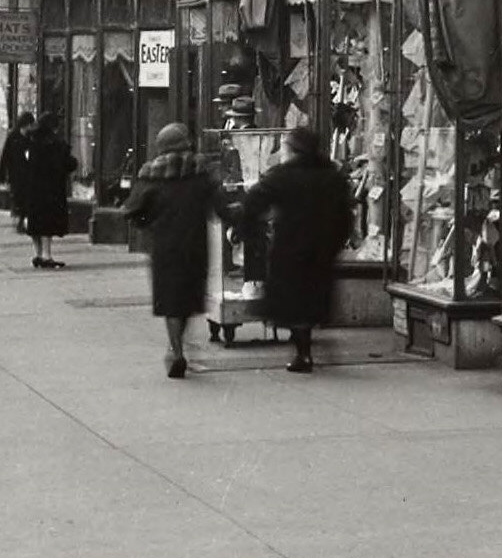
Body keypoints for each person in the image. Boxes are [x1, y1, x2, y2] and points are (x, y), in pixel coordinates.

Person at [235, 112, 354, 372]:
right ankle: (305, 349)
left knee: (295, 301)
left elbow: (253, 202)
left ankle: (304, 352)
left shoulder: (284, 175)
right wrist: (336, 242)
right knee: (310, 300)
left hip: (291, 246)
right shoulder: (331, 176)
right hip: (321, 248)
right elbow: (346, 214)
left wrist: (245, 229)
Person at [126, 122, 225, 380]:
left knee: (170, 300)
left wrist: (148, 224)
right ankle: (176, 347)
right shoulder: (202, 169)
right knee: (190, 298)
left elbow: (132, 210)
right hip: (195, 243)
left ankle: (176, 349)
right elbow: (220, 205)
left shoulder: (152, 172)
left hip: (165, 245)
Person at [17, 116, 77, 271]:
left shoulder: (31, 142)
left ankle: (38, 254)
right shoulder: (54, 144)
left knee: (35, 222)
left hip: (32, 188)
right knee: (47, 224)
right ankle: (46, 255)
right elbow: (67, 164)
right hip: (50, 189)